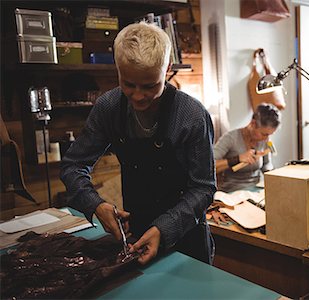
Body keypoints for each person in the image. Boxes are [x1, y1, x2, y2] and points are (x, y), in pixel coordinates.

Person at [60, 22, 216, 265]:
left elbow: (203, 188)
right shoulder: (108, 108)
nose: (138, 95)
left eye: (150, 86)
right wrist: (96, 205)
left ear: (168, 69)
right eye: (129, 84)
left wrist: (163, 229)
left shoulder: (191, 116)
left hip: (187, 239)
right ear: (118, 69)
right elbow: (73, 166)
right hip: (135, 234)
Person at [209, 103, 281, 223]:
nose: (267, 139)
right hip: (233, 194)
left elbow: (267, 167)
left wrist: (276, 182)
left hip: (255, 192)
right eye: (264, 134)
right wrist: (236, 159)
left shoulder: (264, 141)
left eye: (270, 135)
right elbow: (209, 166)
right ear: (253, 124)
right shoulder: (231, 138)